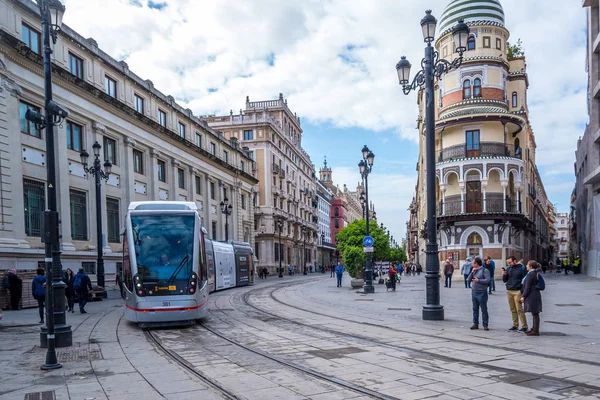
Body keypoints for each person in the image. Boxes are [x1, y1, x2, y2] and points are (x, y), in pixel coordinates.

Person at [502, 256, 528, 332]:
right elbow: (504, 280)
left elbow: (525, 280)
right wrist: (505, 274)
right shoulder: (508, 268)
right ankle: (515, 325)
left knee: (519, 309)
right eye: (508, 263)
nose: (509, 264)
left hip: (517, 291)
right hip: (509, 290)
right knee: (512, 309)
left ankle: (524, 326)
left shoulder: (522, 268)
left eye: (510, 262)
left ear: (515, 261)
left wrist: (521, 291)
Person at [467, 257, 490, 330]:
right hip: (474, 292)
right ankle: (475, 323)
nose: (472, 264)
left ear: (476, 264)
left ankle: (485, 324)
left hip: (482, 292)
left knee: (483, 309)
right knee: (475, 309)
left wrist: (478, 280)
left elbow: (488, 280)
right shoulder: (474, 270)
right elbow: (468, 280)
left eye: (473, 263)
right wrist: (472, 272)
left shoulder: (485, 270)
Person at [521, 261, 543, 336]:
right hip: (534, 295)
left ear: (530, 266)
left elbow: (527, 287)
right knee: (535, 313)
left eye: (527, 264)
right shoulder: (533, 273)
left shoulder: (531, 274)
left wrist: (523, 296)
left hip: (532, 295)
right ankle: (534, 328)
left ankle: (535, 330)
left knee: (535, 313)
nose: (526, 266)